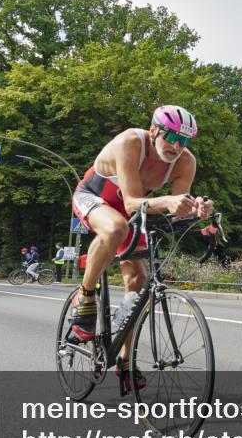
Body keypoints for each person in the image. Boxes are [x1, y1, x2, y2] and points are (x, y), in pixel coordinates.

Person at [70, 104, 213, 391]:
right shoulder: (130, 142)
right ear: (154, 130)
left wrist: (197, 208)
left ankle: (125, 360)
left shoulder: (185, 161)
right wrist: (169, 203)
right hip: (95, 197)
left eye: (184, 140)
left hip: (132, 212)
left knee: (138, 281)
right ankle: (85, 298)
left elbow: (176, 207)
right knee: (114, 227)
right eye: (171, 136)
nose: (176, 145)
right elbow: (132, 201)